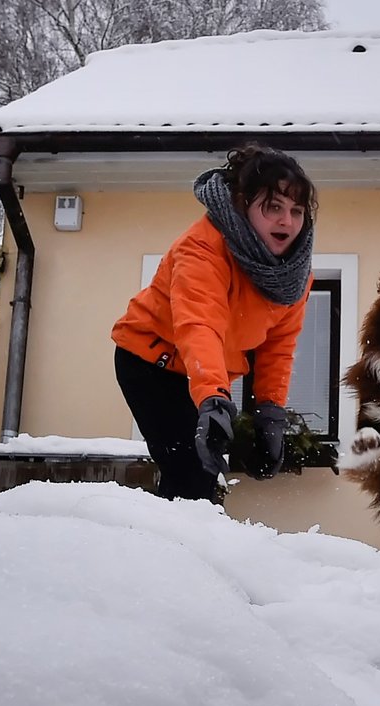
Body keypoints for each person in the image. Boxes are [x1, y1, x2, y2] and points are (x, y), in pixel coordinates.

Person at [111, 143, 317, 502]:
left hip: (203, 374)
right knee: (191, 473)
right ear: (241, 204)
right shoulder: (202, 249)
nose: (287, 221)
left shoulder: (293, 276)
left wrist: (270, 412)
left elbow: (277, 347)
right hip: (151, 362)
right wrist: (213, 398)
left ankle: (185, 543)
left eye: (296, 210)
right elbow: (199, 324)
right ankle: (169, 551)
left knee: (205, 477)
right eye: (273, 207)